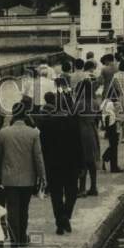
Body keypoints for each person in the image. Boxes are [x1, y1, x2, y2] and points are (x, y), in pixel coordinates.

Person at [0, 102, 45, 248]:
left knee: (12, 210)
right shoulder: (33, 133)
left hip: (9, 178)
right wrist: (42, 177)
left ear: (13, 115)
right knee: (24, 209)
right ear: (25, 114)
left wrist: (0, 173)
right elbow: (38, 157)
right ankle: (22, 237)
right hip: (28, 179)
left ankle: (14, 242)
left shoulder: (3, 133)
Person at [39, 93, 83, 234]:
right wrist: (82, 164)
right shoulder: (73, 122)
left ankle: (60, 220)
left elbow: (43, 147)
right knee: (72, 192)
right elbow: (78, 145)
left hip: (53, 165)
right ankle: (66, 215)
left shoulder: (46, 123)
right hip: (71, 164)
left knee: (56, 194)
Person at [74, 75, 101, 196]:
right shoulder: (95, 102)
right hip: (92, 130)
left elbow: (73, 117)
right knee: (92, 161)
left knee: (82, 160)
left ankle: (82, 188)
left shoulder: (79, 104)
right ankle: (94, 186)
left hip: (81, 131)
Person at [100, 93, 123, 176]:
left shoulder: (105, 102)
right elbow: (110, 116)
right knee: (114, 146)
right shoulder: (111, 104)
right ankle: (113, 166)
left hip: (109, 125)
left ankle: (106, 158)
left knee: (112, 145)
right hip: (112, 126)